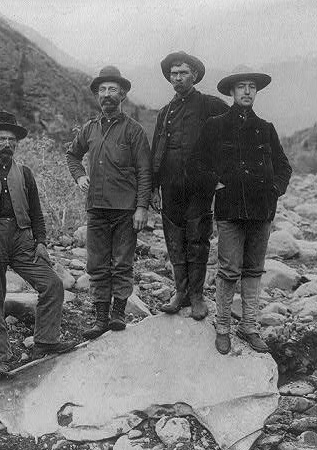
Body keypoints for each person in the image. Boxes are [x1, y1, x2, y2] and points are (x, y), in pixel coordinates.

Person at [0, 111, 76, 378]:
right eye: (1, 139)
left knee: (53, 285)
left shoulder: (24, 173)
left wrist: (41, 242)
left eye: (12, 140)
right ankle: (0, 358)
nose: (7, 144)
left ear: (17, 143)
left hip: (22, 239)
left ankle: (45, 342)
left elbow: (36, 212)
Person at [191, 70, 292, 354]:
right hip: (230, 210)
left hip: (262, 211)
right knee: (228, 269)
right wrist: (216, 184)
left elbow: (284, 167)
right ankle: (222, 326)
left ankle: (249, 327)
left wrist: (274, 190)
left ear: (256, 92)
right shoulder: (216, 125)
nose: (247, 91)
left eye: (251, 87)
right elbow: (196, 163)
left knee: (254, 270)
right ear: (232, 93)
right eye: (241, 87)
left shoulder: (266, 128)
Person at [66, 66, 152, 340]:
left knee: (122, 263)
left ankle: (118, 314)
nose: (107, 95)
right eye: (102, 90)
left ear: (123, 94)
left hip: (126, 210)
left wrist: (141, 207)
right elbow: (72, 155)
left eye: (112, 89)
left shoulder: (134, 131)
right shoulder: (89, 129)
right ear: (96, 96)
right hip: (97, 208)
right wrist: (80, 177)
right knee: (97, 264)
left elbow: (144, 172)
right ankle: (100, 317)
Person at [150, 51, 229, 320]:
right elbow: (156, 150)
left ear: (194, 76)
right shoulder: (165, 113)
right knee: (174, 240)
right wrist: (153, 186)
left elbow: (232, 135)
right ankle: (180, 292)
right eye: (174, 73)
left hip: (199, 187)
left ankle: (197, 295)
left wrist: (221, 175)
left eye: (184, 73)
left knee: (197, 238)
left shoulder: (210, 105)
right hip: (170, 185)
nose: (178, 78)